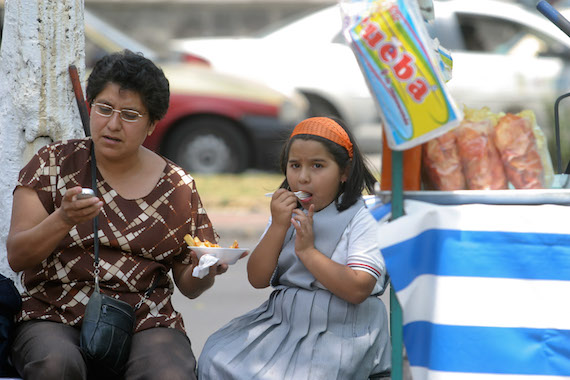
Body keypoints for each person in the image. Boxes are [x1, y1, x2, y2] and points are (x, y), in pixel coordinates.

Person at [6, 49, 228, 380]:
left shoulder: (177, 186)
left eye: (129, 114)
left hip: (146, 318)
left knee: (170, 374)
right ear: (91, 107)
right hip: (53, 312)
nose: (113, 124)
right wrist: (63, 219)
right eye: (104, 108)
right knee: (55, 365)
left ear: (152, 123)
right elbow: (18, 256)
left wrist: (203, 270)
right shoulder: (52, 164)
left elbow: (190, 285)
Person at [198, 116, 391, 379]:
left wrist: (308, 252)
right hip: (284, 320)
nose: (303, 177)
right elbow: (257, 278)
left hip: (343, 328)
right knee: (216, 357)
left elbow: (358, 288)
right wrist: (278, 225)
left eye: (318, 166)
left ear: (344, 172)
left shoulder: (362, 215)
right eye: (295, 165)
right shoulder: (285, 213)